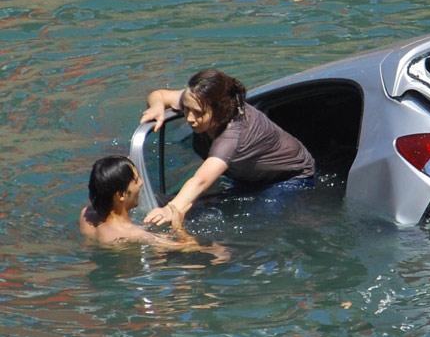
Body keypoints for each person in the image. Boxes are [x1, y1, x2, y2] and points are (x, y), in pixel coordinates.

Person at [139, 69, 315, 226]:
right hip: (245, 175)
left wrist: (171, 209)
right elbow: (159, 95)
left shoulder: (232, 135)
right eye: (186, 109)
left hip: (289, 178)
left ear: (220, 109)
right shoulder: (195, 97)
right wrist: (156, 106)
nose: (190, 118)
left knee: (252, 223)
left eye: (198, 113)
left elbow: (201, 180)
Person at [79, 156, 228, 263]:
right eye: (136, 180)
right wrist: (178, 226)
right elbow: (189, 247)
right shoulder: (135, 235)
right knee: (220, 254)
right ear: (121, 195)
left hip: (109, 264)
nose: (141, 183)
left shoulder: (87, 215)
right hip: (133, 279)